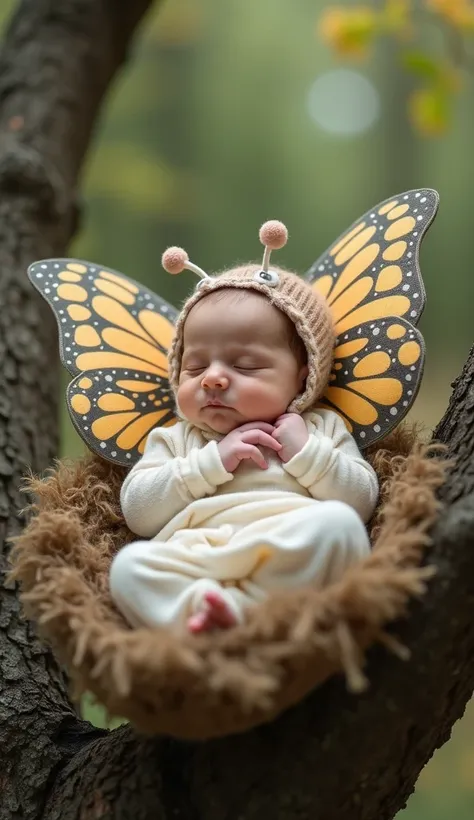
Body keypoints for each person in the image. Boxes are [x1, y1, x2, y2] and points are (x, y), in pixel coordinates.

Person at [109, 221, 379, 634]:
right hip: (199, 556)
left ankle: (244, 614)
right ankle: (204, 614)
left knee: (341, 528)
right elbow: (139, 514)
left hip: (288, 549)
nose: (212, 378)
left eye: (245, 365)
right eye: (195, 366)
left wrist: (307, 454)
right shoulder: (178, 439)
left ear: (302, 377)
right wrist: (209, 463)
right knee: (128, 567)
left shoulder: (319, 427)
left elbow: (361, 500)